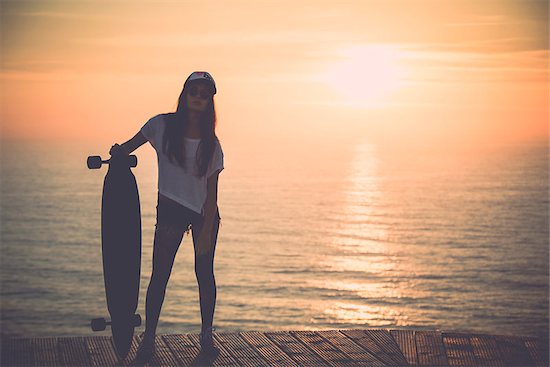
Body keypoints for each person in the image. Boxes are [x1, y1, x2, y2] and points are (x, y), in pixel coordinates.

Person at [110, 71, 224, 361]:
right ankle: (148, 342)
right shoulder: (160, 125)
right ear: (185, 94)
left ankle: (206, 339)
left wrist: (207, 232)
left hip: (203, 213)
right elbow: (128, 147)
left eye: (204, 93)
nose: (198, 97)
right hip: (171, 208)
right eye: (194, 91)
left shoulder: (213, 144)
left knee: (204, 274)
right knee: (159, 275)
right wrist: (118, 153)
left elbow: (212, 195)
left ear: (210, 100)